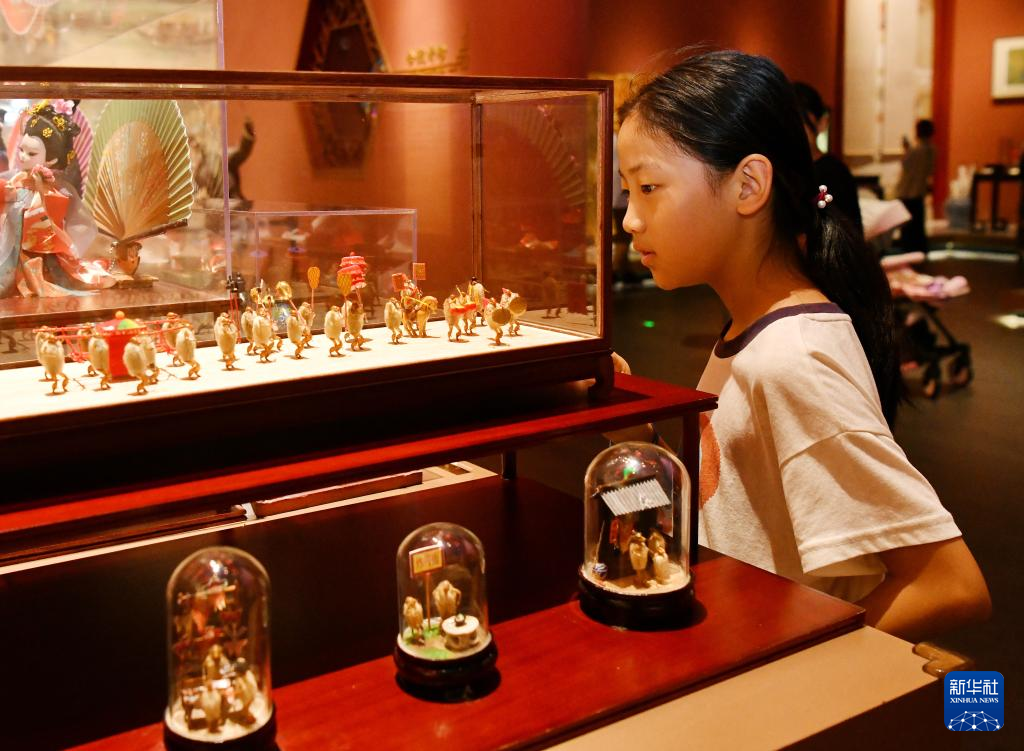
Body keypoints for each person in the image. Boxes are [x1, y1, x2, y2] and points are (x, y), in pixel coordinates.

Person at [611, 50, 989, 642]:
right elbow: (721, 510)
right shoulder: (752, 334)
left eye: (649, 187)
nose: (630, 220)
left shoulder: (791, 360)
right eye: (629, 192)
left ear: (748, 185)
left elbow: (948, 584)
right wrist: (624, 425)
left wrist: (792, 662)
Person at [0, 101, 114, 297]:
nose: (23, 157)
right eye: (21, 150)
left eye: (32, 153)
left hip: (46, 255)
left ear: (51, 159)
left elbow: (80, 224)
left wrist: (69, 247)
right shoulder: (14, 179)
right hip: (11, 250)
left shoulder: (58, 189)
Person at [792, 81, 863, 238]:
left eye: (801, 122)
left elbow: (848, 234)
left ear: (822, 123)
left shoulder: (835, 173)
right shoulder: (778, 171)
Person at [896, 119, 935, 252]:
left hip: (907, 194)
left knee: (908, 233)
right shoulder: (932, 150)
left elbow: (906, 165)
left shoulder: (915, 150)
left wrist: (907, 149)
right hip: (918, 194)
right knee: (918, 229)